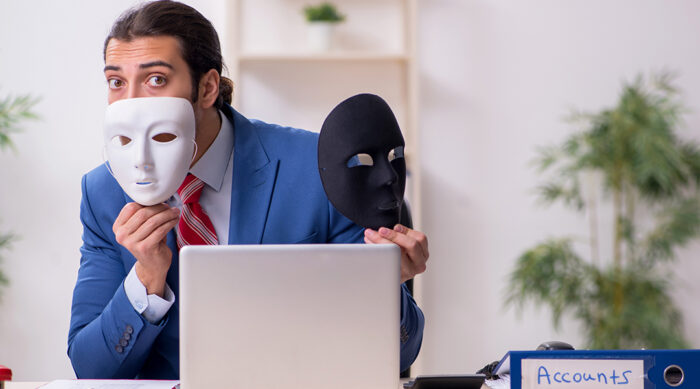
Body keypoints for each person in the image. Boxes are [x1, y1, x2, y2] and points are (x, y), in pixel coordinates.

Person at [68, 0, 428, 379]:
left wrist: (382, 285)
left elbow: (400, 352)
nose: (131, 103)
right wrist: (146, 279)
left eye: (156, 79)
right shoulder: (104, 191)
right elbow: (91, 369)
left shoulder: (316, 167)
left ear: (207, 88)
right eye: (116, 82)